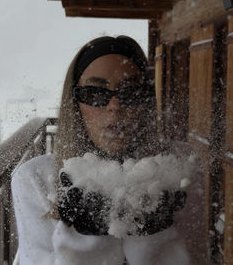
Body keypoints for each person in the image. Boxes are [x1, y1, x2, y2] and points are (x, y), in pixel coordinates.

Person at [11, 36, 210, 265]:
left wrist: (155, 236)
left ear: (145, 100)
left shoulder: (180, 166)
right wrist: (85, 243)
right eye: (96, 93)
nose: (115, 107)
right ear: (74, 103)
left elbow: (199, 257)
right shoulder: (36, 179)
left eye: (130, 91)